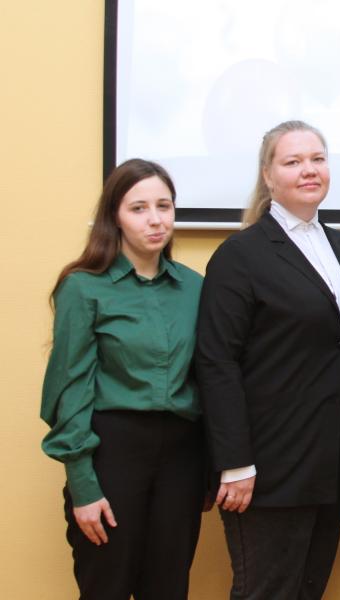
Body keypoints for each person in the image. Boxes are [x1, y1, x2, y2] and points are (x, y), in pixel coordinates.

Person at [196, 120, 340, 599]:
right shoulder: (240, 255)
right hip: (266, 467)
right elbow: (216, 361)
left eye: (317, 159)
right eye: (293, 161)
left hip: (330, 463)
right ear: (268, 176)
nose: (309, 170)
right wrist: (234, 463)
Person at [41, 159, 205, 599]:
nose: (155, 219)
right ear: (114, 216)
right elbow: (70, 390)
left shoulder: (194, 288)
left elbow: (209, 378)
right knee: (106, 585)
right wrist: (83, 486)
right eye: (138, 208)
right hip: (112, 452)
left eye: (164, 206)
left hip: (182, 458)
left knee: (169, 587)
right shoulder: (83, 287)